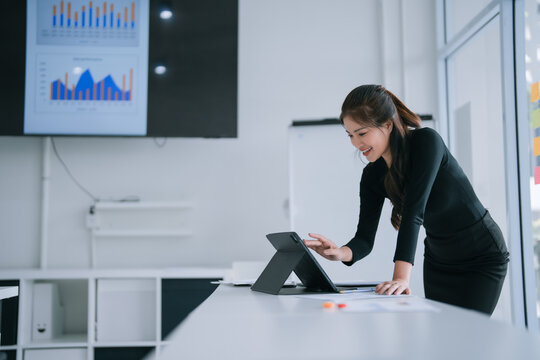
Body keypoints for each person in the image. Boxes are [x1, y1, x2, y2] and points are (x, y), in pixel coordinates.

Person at [304, 84, 510, 315]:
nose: (355, 143)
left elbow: (414, 212)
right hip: (439, 260)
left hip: (480, 255)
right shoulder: (372, 175)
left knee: (470, 340)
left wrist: (400, 278)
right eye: (350, 135)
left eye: (361, 133)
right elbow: (364, 239)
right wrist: (340, 252)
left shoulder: (426, 142)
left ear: (387, 124)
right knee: (442, 343)